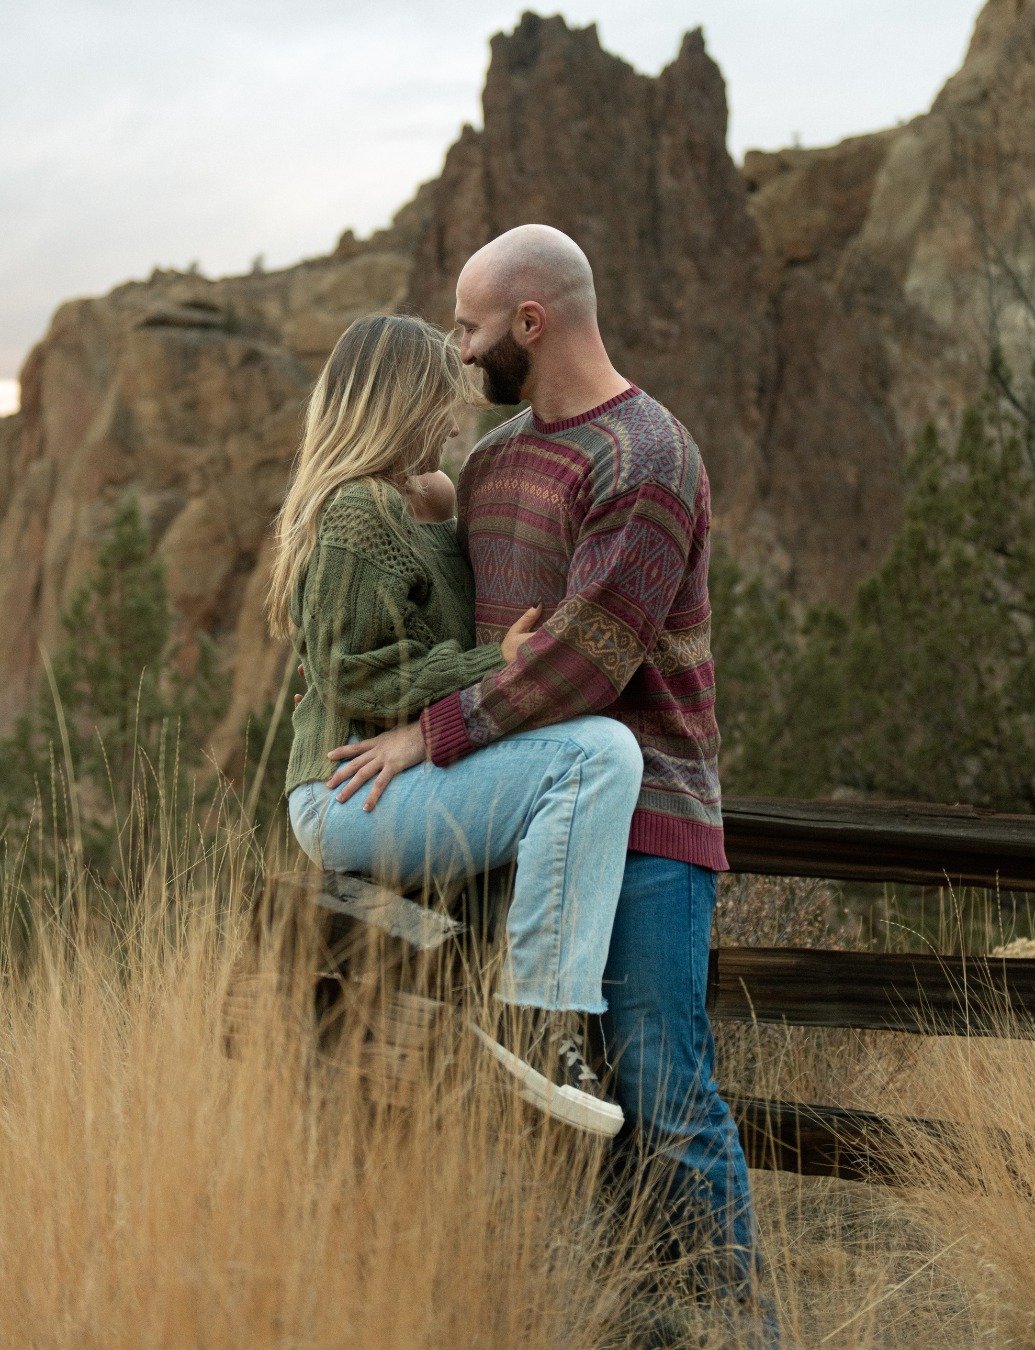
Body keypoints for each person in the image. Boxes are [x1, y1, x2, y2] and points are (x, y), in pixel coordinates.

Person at [325, 226, 761, 1298]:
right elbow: (445, 617)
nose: (460, 352)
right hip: (533, 817)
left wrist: (424, 737)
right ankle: (628, 1316)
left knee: (661, 1089)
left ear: (533, 321)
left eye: (472, 328)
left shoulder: (649, 457)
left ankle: (739, 1324)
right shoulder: (490, 460)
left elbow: (587, 662)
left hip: (649, 814)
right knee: (557, 1101)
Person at [267, 312, 644, 1138]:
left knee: (588, 763)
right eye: (442, 401)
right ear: (402, 401)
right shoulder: (357, 511)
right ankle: (538, 1021)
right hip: (344, 794)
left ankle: (523, 1017)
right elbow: (350, 673)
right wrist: (494, 665)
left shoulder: (419, 498)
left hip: (393, 781)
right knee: (596, 758)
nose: (453, 417)